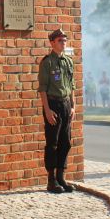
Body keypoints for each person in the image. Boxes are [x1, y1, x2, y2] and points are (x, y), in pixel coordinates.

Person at [37, 28, 75, 194]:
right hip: (53, 105)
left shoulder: (68, 61)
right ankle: (51, 180)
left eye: (65, 40)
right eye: (60, 40)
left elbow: (72, 85)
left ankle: (61, 176)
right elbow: (43, 89)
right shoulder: (47, 62)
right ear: (52, 42)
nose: (63, 43)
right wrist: (47, 110)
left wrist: (74, 106)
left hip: (66, 105)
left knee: (66, 142)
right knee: (52, 143)